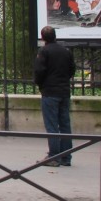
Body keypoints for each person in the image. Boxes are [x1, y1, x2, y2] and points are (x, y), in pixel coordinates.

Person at [34, 25, 76, 166]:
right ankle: (66, 157)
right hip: (64, 91)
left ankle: (54, 156)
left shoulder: (44, 51)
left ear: (43, 37)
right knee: (65, 124)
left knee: (52, 125)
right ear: (55, 36)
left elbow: (39, 71)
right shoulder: (66, 51)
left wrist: (40, 85)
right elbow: (72, 70)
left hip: (50, 92)